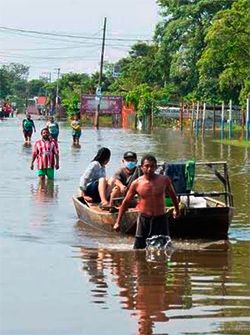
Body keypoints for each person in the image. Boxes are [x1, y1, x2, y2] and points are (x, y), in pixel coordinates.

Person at [113, 154, 180, 249]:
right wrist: (118, 222)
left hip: (160, 218)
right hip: (144, 219)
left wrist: (177, 210)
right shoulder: (136, 183)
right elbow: (126, 202)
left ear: (156, 167)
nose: (149, 169)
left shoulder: (164, 180)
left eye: (152, 166)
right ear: (141, 167)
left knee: (164, 249)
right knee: (139, 250)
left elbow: (173, 196)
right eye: (147, 166)